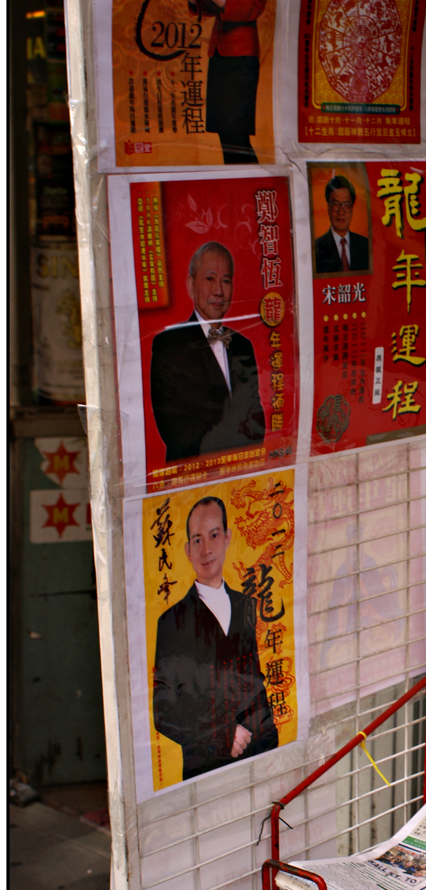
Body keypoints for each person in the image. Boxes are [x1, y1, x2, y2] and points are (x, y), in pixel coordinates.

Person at [152, 496, 279, 780]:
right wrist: (221, 736)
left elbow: (255, 685)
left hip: (255, 759)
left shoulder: (245, 606)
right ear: (187, 550)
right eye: (197, 540)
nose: (206, 549)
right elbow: (164, 712)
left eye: (214, 535)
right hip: (204, 769)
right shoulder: (171, 622)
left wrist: (269, 747)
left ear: (227, 538)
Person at [149, 241, 266, 463]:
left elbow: (256, 417)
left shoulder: (243, 345)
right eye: (210, 279)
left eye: (226, 281)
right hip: (193, 471)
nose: (219, 291)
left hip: (242, 468)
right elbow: (173, 427)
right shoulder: (169, 344)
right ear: (191, 285)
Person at [185, 0, 271, 164]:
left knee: (236, 136)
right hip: (218, 50)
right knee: (225, 135)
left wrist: (222, 1)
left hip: (242, 53)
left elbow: (257, 4)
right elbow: (214, 1)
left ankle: (254, 183)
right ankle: (241, 183)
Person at [314, 176, 370, 273]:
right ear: (328, 208)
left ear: (352, 210)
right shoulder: (316, 248)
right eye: (335, 204)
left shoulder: (365, 245)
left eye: (346, 205)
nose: (341, 212)